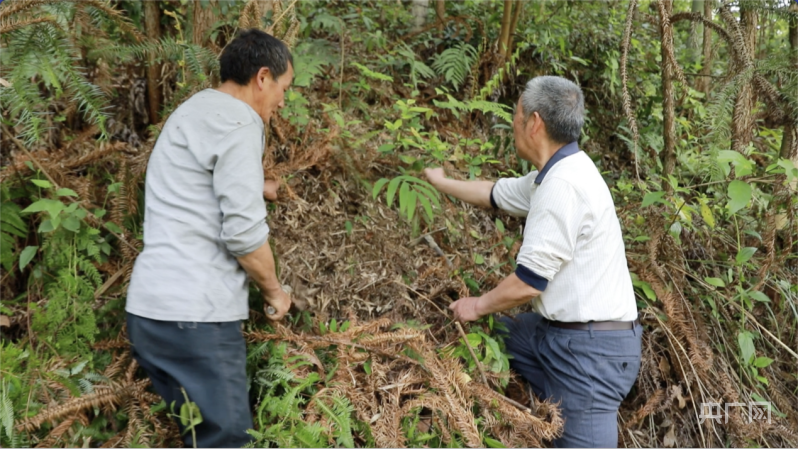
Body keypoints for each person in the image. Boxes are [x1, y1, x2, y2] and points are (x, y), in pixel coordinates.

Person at [424, 76, 641, 448]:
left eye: (517, 113)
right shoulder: (559, 171)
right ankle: (554, 411)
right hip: (562, 336)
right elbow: (494, 193)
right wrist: (442, 183)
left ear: (535, 123)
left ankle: (574, 411)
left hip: (591, 356)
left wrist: (476, 305)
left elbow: (528, 282)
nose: (513, 121)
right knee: (509, 331)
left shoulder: (563, 187)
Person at [125, 29, 293, 448]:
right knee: (229, 439)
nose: (283, 101)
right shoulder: (240, 123)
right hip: (196, 318)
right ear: (262, 77)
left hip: (150, 316)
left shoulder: (193, 110)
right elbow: (243, 234)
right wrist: (275, 291)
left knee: (199, 438)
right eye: (284, 88)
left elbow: (193, 183)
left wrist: (257, 185)